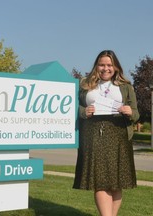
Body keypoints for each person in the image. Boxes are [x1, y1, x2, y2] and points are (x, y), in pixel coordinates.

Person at [73, 50, 139, 216]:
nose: (105, 68)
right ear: (96, 66)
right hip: (93, 135)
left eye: (109, 65)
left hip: (119, 136)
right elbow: (71, 106)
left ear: (115, 66)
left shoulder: (126, 87)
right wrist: (83, 111)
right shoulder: (84, 84)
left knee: (116, 182)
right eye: (102, 64)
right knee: (100, 181)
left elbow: (137, 114)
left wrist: (129, 111)